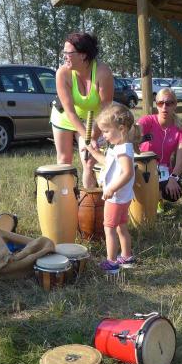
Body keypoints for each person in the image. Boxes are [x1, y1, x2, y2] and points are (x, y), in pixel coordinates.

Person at [52, 32, 114, 189]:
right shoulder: (62, 73)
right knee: (64, 161)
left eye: (68, 53)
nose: (64, 56)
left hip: (94, 119)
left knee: (89, 162)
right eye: (64, 52)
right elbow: (70, 112)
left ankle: (92, 200)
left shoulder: (103, 73)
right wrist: (87, 140)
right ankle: (66, 198)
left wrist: (93, 137)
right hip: (65, 116)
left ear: (83, 55)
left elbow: (106, 109)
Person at [85, 104, 135, 273]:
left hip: (115, 198)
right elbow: (107, 162)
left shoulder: (122, 150)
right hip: (123, 197)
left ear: (121, 129)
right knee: (121, 226)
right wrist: (92, 151)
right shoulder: (121, 147)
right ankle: (126, 257)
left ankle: (112, 262)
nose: (104, 136)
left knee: (109, 229)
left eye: (106, 131)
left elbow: (128, 173)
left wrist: (111, 188)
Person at [137, 88, 182, 204]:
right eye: (161, 103)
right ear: (156, 105)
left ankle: (157, 199)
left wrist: (173, 177)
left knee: (175, 191)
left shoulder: (181, 129)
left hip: (164, 170)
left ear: (175, 105)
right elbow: (135, 131)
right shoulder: (147, 121)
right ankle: (149, 201)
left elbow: (180, 161)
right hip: (143, 167)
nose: (164, 107)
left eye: (169, 103)